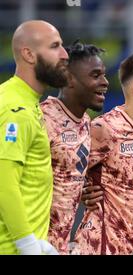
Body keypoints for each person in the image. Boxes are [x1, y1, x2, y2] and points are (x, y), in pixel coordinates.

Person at [74, 53, 133, 254]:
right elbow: (60, 172)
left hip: (131, 246)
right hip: (99, 246)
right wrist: (82, 190)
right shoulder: (106, 129)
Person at [0, 20, 68, 255]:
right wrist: (27, 244)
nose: (64, 54)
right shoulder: (15, 109)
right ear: (29, 54)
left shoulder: (24, 101)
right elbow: (4, 182)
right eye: (55, 46)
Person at [40, 40, 109, 254]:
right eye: (95, 75)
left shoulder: (86, 122)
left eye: (104, 74)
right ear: (69, 79)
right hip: (35, 241)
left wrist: (85, 189)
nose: (105, 82)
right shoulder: (42, 118)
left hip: (64, 243)